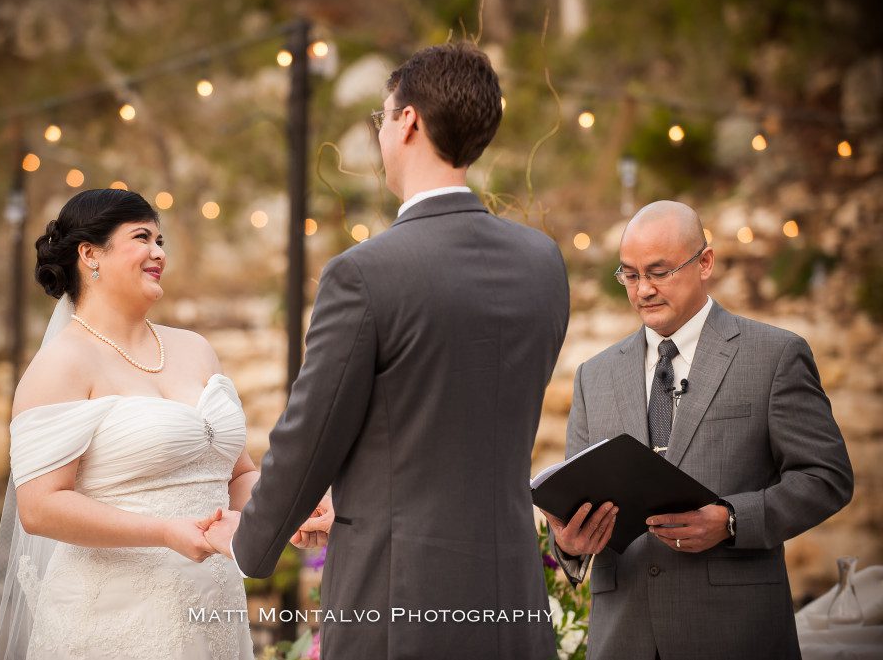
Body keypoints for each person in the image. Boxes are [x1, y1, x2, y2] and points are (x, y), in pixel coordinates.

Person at [200, 42, 569, 660]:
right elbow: (453, 421)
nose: (380, 135)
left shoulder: (365, 274)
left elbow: (310, 434)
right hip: (514, 598)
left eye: (382, 118)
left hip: (401, 604)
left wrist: (250, 540)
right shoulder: (543, 263)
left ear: (408, 122)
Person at [0, 188, 328, 659]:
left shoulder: (195, 349)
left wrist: (291, 511)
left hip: (213, 606)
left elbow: (237, 474)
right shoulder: (60, 365)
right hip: (113, 618)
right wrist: (164, 531)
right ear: (90, 254)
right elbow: (40, 508)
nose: (159, 252)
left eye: (160, 241)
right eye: (142, 238)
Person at [544, 201, 854, 660]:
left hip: (736, 637)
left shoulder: (775, 355)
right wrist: (569, 544)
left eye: (659, 272)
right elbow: (575, 500)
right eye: (630, 275)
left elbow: (828, 478)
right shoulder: (594, 374)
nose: (643, 289)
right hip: (622, 640)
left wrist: (731, 520)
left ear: (704, 262)